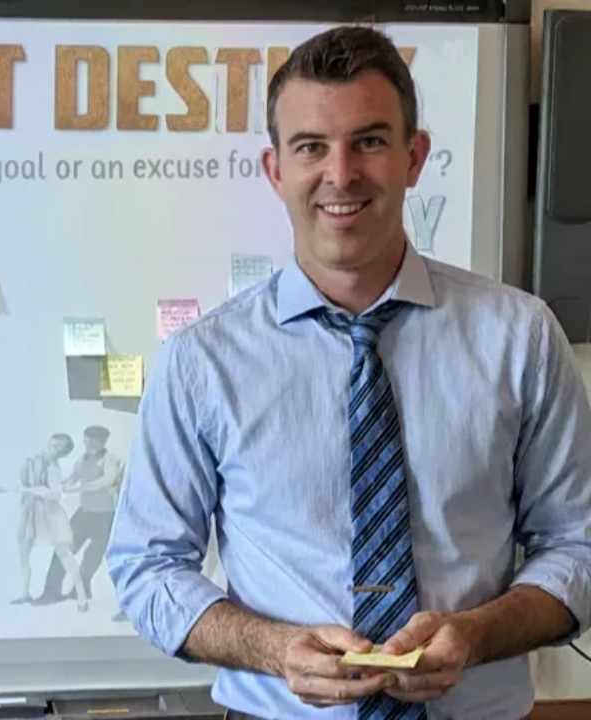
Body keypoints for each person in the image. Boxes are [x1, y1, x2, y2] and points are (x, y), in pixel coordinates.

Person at [106, 25, 591, 720]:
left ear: (413, 157)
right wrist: (273, 648)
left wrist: (476, 635)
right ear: (275, 170)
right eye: (311, 147)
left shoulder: (521, 338)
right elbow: (147, 566)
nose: (340, 174)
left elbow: (578, 544)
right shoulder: (201, 361)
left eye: (369, 141)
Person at [32, 426, 123, 616]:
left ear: (102, 442)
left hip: (105, 515)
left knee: (93, 554)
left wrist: (82, 488)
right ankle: (51, 591)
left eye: (93, 441)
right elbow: (71, 479)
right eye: (86, 441)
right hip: (84, 513)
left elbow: (107, 480)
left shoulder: (110, 459)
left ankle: (82, 588)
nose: (88, 445)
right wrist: (56, 486)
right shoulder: (82, 460)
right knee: (64, 548)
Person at [0, 433, 86, 612]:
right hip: (30, 511)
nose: (56, 448)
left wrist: (26, 490)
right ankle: (25, 594)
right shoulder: (31, 459)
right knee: (24, 550)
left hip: (50, 513)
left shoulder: (55, 469)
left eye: (61, 448)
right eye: (56, 443)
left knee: (64, 553)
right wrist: (20, 488)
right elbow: (21, 479)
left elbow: (54, 494)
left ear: (62, 454)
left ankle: (82, 597)